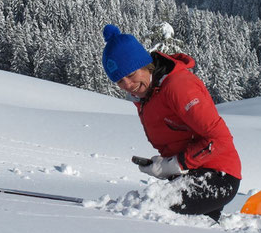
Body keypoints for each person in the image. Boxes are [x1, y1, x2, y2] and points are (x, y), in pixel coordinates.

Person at [101, 24, 242, 222]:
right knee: (150, 208)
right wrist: (161, 165)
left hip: (219, 177)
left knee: (150, 209)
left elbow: (219, 139)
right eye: (119, 81)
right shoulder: (146, 96)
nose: (127, 85)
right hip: (187, 176)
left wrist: (174, 164)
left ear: (145, 65)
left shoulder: (178, 87)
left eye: (131, 75)